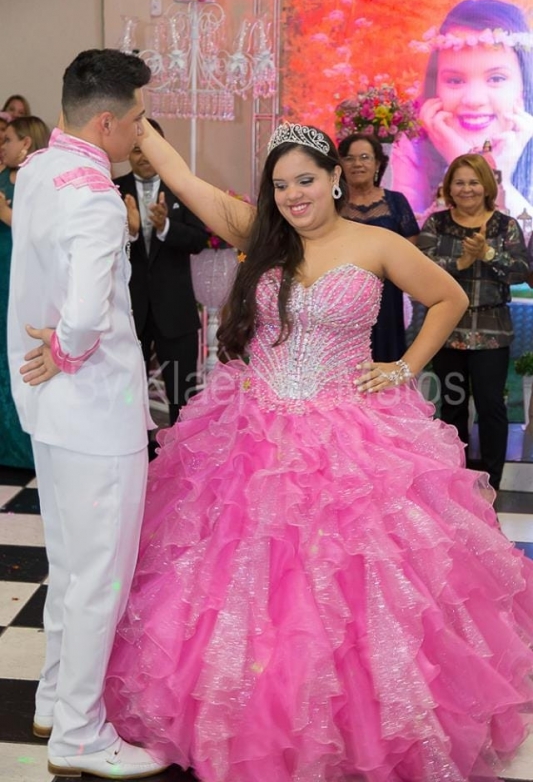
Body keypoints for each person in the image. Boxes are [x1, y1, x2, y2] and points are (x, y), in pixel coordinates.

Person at [104, 121, 533, 782]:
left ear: (336, 177)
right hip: (251, 427)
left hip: (349, 430)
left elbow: (446, 298)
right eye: (279, 186)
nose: (293, 196)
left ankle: (349, 725)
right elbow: (185, 180)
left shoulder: (378, 242)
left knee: (356, 580)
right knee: (240, 574)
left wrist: (403, 364)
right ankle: (248, 713)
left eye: (305, 180)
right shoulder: (264, 237)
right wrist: (136, 117)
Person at [7, 49, 168, 779]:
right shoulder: (98, 195)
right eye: (136, 119)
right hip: (97, 413)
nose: (141, 131)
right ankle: (79, 732)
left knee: (71, 564)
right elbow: (83, 317)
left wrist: (53, 359)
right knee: (101, 573)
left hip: (47, 409)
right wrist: (69, 351)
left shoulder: (37, 166)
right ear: (105, 121)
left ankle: (51, 697)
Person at [418, 153, 529, 491]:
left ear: (487, 186)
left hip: (492, 333)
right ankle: (456, 480)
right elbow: (422, 270)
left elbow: (522, 272)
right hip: (446, 331)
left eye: (474, 182)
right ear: (449, 187)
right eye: (460, 182)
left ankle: (491, 482)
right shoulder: (436, 224)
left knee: (491, 406)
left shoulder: (505, 225)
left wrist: (488, 254)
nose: (467, 189)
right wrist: (462, 260)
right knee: (451, 407)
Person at [392, 0, 533, 219]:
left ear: (523, 86)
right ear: (436, 85)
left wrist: (498, 182)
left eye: (496, 78)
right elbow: (405, 247)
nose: (474, 99)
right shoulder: (414, 148)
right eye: (455, 81)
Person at [113, 117, 208, 428]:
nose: (143, 156)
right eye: (136, 150)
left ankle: (182, 460)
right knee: (127, 395)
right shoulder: (114, 189)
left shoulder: (182, 187)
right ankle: (137, 455)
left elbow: (198, 240)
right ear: (129, 151)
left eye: (149, 149)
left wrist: (165, 226)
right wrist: (131, 230)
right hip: (129, 312)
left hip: (175, 312)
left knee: (182, 395)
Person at [338, 132, 419, 361]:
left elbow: (411, 248)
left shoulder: (396, 201)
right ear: (341, 165)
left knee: (385, 359)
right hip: (342, 294)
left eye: (364, 157)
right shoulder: (331, 205)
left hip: (386, 294)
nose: (357, 164)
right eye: (350, 158)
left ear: (377, 164)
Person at [0, 116, 50, 469]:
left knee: (21, 354)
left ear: (26, 143)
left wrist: (4, 213)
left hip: (23, 279)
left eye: (8, 139)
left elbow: (43, 234)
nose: (2, 146)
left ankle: (27, 446)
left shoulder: (41, 181)